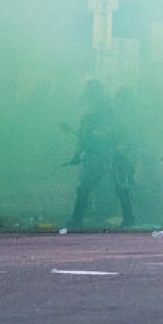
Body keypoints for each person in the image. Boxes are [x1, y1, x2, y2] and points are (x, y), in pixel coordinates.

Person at [65, 81, 133, 230]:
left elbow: (86, 137)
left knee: (87, 188)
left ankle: (77, 219)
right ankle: (129, 218)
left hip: (103, 156)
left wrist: (77, 155)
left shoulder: (96, 114)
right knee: (117, 188)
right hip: (106, 155)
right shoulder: (106, 113)